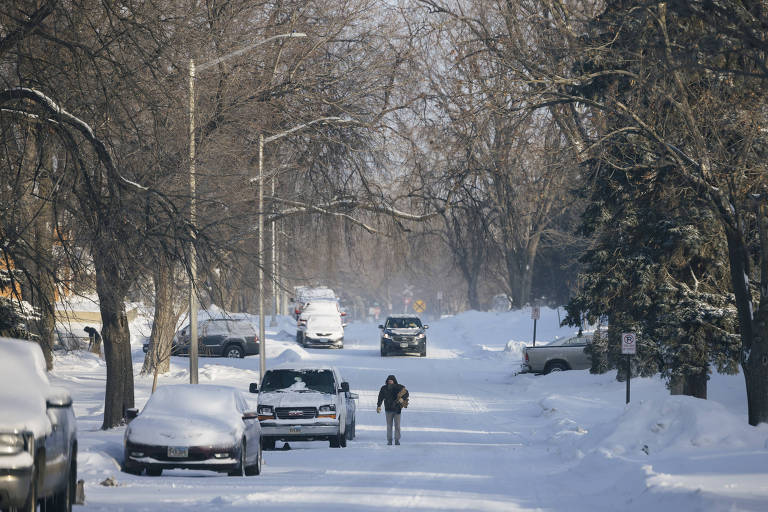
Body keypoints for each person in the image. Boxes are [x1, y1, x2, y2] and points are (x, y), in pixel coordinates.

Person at [376, 374, 409, 445]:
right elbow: (380, 397)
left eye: (391, 381)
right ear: (387, 381)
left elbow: (406, 393)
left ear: (394, 381)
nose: (390, 382)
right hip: (388, 409)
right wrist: (379, 406)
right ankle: (389, 440)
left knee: (397, 425)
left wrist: (402, 399)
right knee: (389, 426)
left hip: (397, 410)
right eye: (389, 381)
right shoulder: (384, 388)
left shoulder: (399, 387)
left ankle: (397, 440)